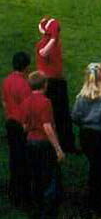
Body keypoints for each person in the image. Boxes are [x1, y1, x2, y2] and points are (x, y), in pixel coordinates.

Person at [20, 70, 64, 219]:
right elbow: (47, 127)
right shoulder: (45, 102)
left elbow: (24, 126)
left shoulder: (26, 102)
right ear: (44, 85)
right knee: (51, 181)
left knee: (36, 179)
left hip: (30, 143)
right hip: (44, 144)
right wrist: (58, 149)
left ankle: (37, 217)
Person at [71, 63, 101, 215]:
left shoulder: (81, 97)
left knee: (93, 166)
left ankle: (91, 200)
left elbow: (75, 116)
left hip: (86, 135)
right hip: (100, 135)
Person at [35, 17, 75, 152]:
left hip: (51, 82)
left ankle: (60, 143)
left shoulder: (50, 43)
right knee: (60, 114)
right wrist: (52, 38)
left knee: (57, 115)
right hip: (52, 83)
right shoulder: (45, 45)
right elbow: (44, 52)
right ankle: (63, 144)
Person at [2, 50, 31, 205]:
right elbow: (27, 109)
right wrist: (27, 126)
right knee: (23, 160)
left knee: (14, 158)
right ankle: (23, 195)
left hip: (10, 122)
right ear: (26, 67)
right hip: (21, 125)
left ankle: (13, 190)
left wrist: (8, 115)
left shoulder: (6, 81)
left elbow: (5, 102)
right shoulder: (25, 85)